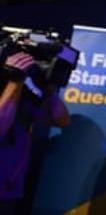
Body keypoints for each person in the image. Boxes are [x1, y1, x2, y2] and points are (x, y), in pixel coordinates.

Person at [0, 52, 70, 215]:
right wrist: (15, 81)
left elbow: (61, 119)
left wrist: (45, 87)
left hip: (8, 194)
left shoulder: (20, 91)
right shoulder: (14, 85)